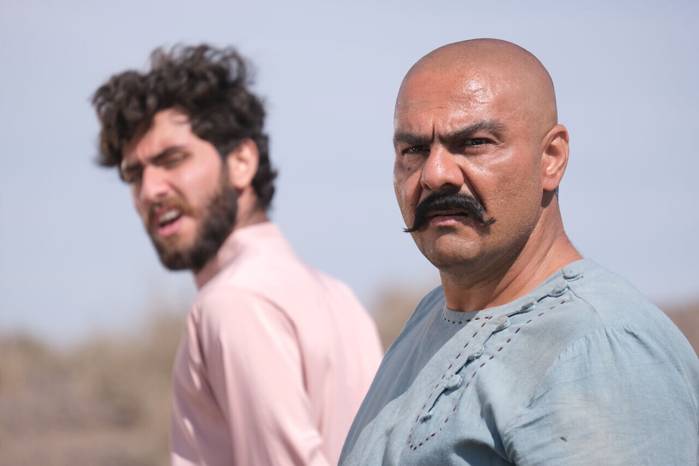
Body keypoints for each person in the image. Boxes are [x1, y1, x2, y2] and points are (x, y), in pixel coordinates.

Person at [340, 38, 699, 465]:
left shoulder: (599, 348)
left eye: (474, 143)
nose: (435, 174)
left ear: (551, 158)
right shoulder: (431, 318)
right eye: (414, 150)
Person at [92, 44, 382, 466]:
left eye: (172, 159)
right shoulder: (339, 297)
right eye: (134, 175)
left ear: (242, 161)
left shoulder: (231, 303)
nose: (150, 190)